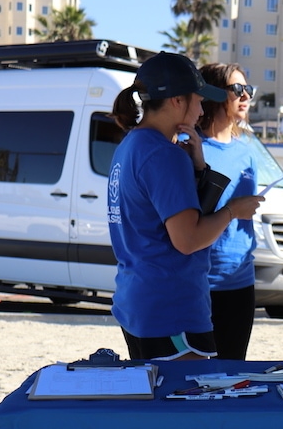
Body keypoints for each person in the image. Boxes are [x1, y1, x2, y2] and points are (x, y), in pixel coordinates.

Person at [108, 52, 263, 360]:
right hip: (172, 311)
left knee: (159, 403)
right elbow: (188, 240)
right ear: (177, 100)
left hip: (137, 302)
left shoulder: (130, 144)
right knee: (189, 406)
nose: (203, 109)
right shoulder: (165, 155)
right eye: (199, 99)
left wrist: (197, 168)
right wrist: (233, 210)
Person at [198, 63, 260, 359]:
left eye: (249, 89)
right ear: (212, 94)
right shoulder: (191, 148)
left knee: (234, 372)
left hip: (241, 280)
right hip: (200, 280)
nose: (245, 95)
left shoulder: (247, 152)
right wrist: (233, 210)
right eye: (237, 89)